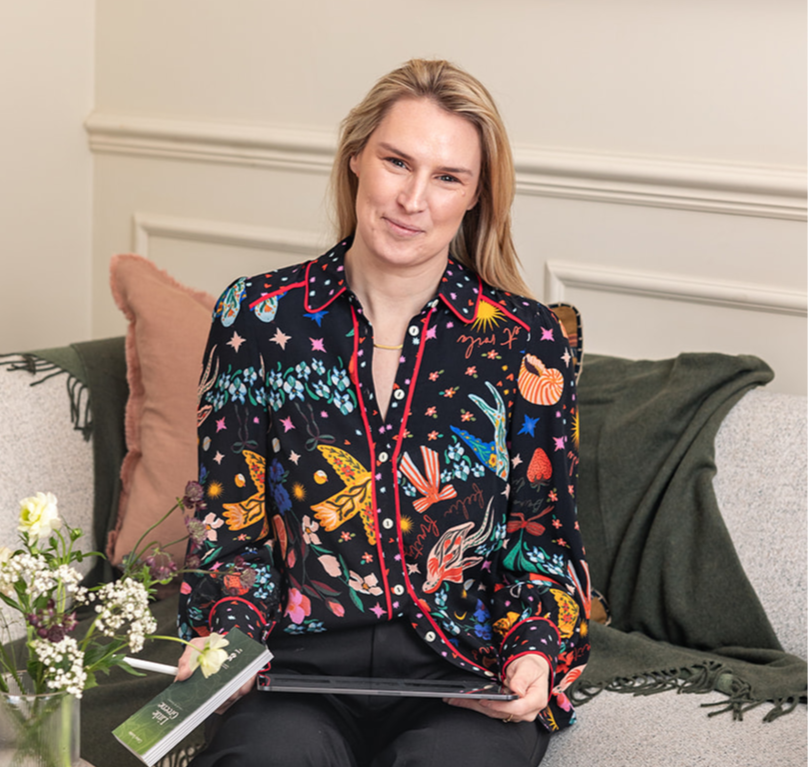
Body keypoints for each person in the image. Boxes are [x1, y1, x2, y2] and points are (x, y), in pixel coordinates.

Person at [175, 58, 590, 767]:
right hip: (296, 668)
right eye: (398, 161)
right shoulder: (256, 314)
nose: (414, 198)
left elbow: (541, 543)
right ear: (356, 159)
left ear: (475, 196)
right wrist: (229, 629)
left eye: (447, 176)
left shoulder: (528, 339)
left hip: (464, 670)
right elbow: (231, 531)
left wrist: (532, 651)